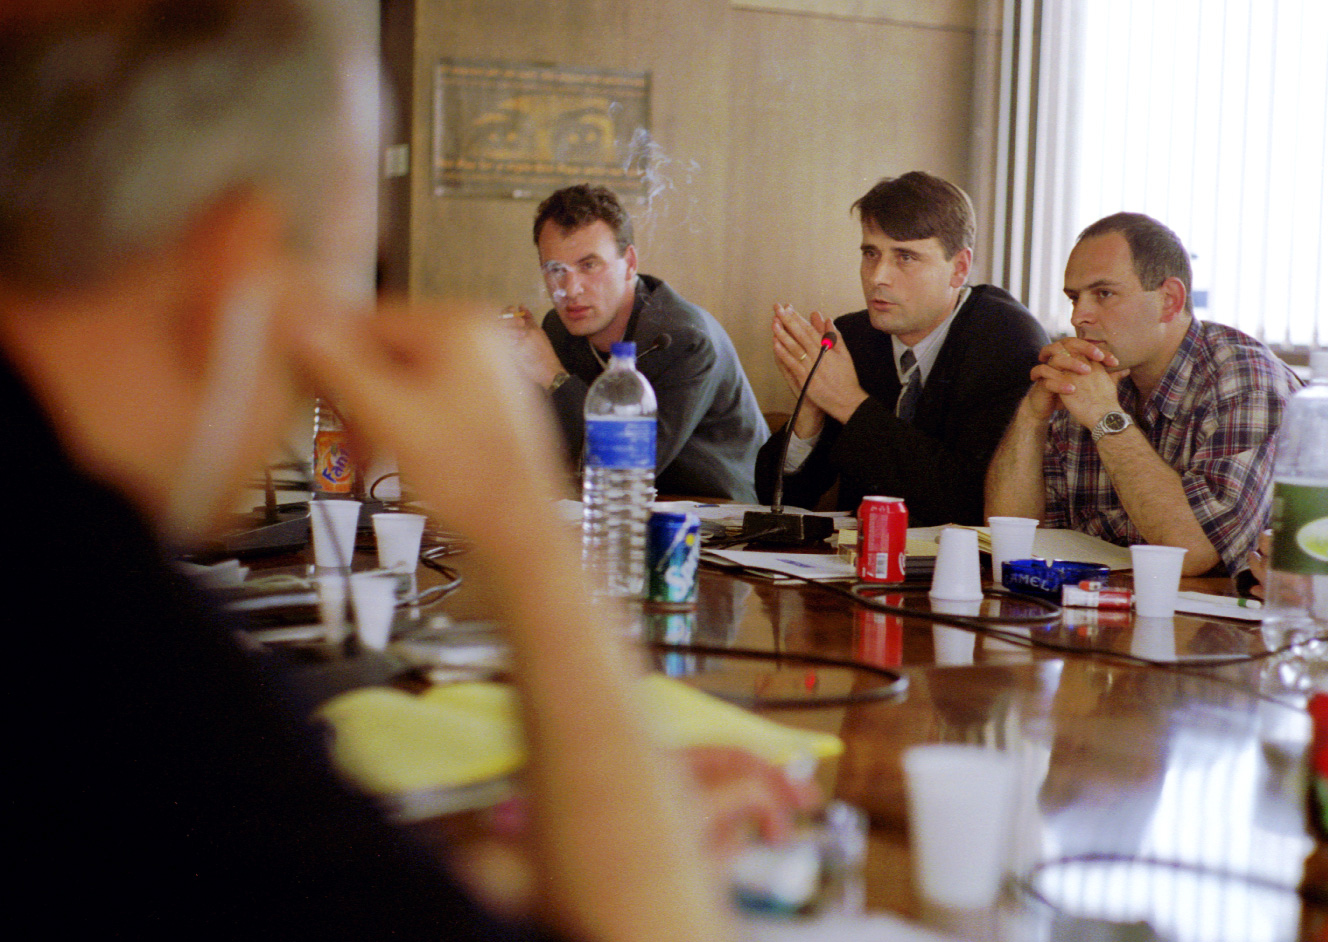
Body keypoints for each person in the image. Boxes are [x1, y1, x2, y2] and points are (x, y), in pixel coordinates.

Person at [0, 2, 802, 938]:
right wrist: (525, 542)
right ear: (237, 262)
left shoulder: (71, 563)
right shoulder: (112, 636)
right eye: (344, 267)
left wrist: (539, 853)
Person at [985, 212, 1302, 577]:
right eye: (1074, 298)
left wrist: (1106, 418)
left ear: (1169, 300)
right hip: (1099, 604)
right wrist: (1032, 416)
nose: (1078, 317)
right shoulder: (1089, 377)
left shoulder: (1247, 381)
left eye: (1104, 294)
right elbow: (1011, 538)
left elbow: (1195, 551)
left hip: (1218, 613)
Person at [753, 171, 1048, 526]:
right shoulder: (854, 336)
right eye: (870, 253)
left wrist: (848, 403)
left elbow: (969, 505)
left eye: (905, 257)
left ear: (959, 268)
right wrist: (809, 417)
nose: (877, 276)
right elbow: (777, 500)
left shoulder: (1009, 344)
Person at [507, 184, 767, 502]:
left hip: (716, 514)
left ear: (630, 263)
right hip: (611, 510)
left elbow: (624, 469)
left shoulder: (685, 339)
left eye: (589, 265)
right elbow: (544, 447)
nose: (571, 289)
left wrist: (553, 375)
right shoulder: (558, 329)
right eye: (555, 269)